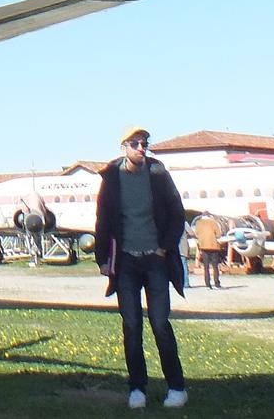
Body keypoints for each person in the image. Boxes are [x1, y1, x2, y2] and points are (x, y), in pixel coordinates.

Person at [95, 124, 188, 410]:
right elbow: (103, 219)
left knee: (160, 323)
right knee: (131, 325)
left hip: (155, 260)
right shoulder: (112, 177)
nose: (140, 148)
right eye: (135, 143)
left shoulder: (158, 174)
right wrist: (102, 258)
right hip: (126, 263)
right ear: (123, 147)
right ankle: (137, 388)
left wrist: (164, 246)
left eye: (144, 143)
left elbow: (177, 213)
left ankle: (176, 387)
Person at [193, 213, 225, 289]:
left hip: (203, 246)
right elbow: (219, 234)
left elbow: (196, 234)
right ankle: (217, 283)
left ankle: (207, 284)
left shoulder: (198, 223)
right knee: (215, 266)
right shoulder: (213, 222)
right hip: (213, 246)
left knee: (206, 267)